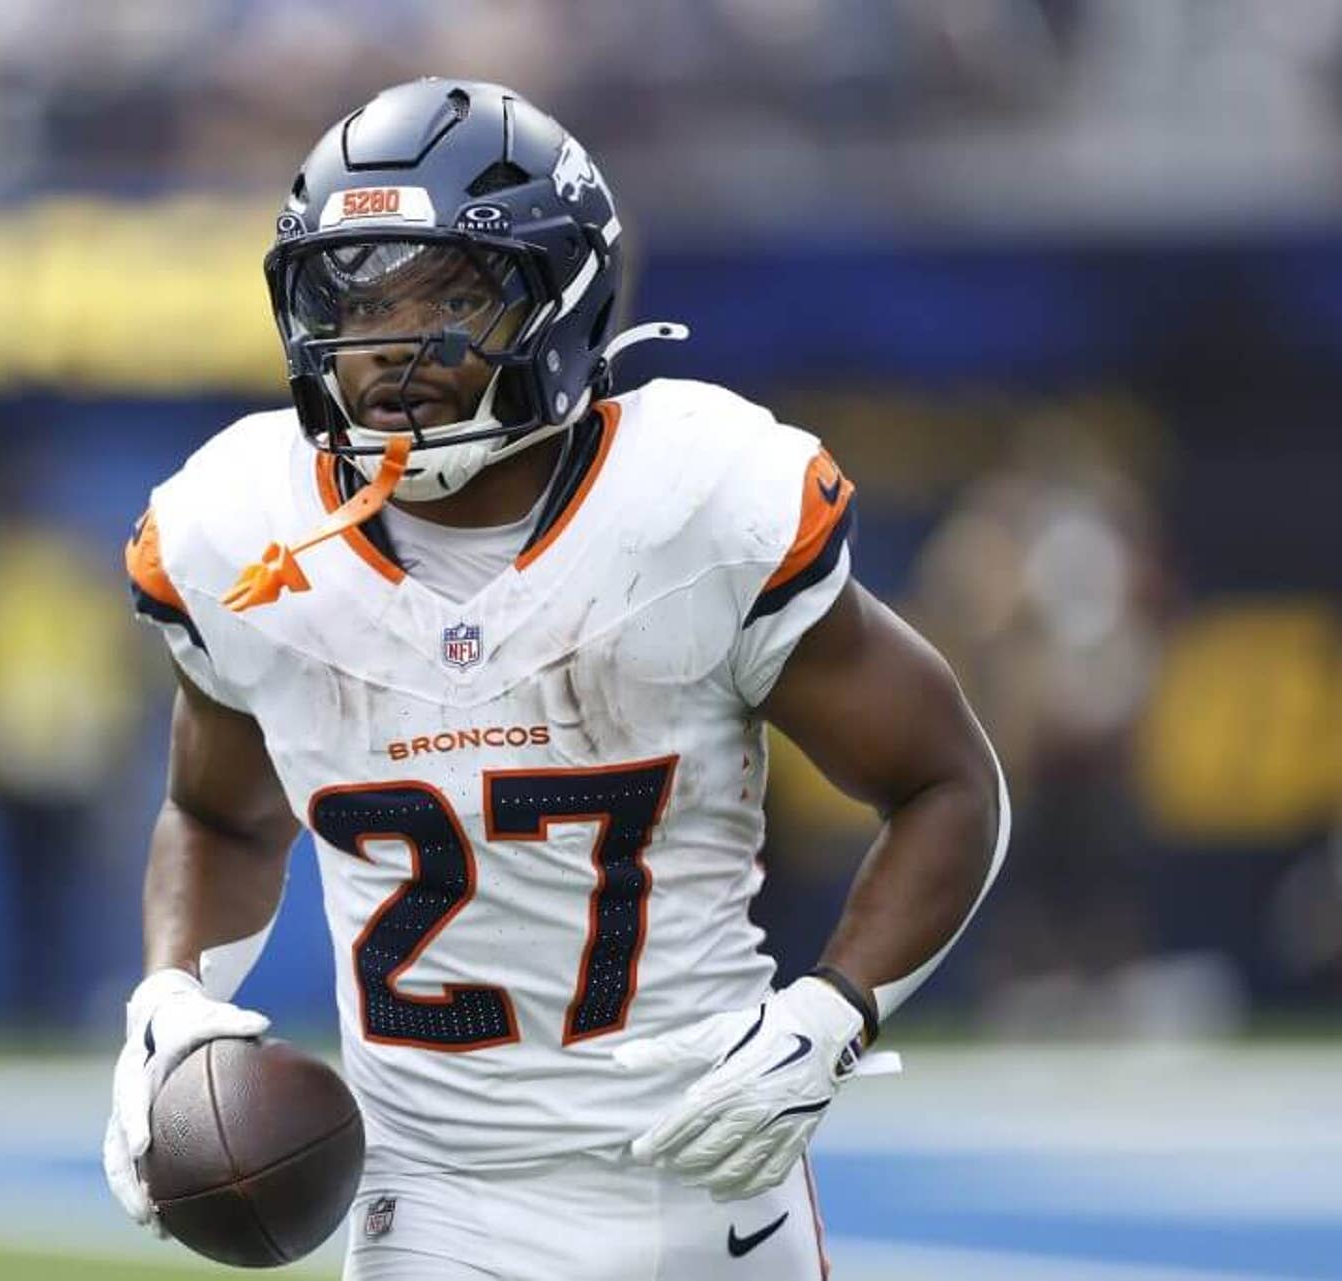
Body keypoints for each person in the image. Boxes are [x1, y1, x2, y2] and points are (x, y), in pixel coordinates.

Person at [105, 79, 1008, 1280]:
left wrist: (827, 1020)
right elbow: (218, 812)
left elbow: (948, 784)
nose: (390, 350)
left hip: (702, 1177)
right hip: (430, 1195)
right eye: (354, 301)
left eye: (446, 297)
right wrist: (172, 995)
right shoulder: (242, 533)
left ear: (557, 300)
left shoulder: (697, 504)